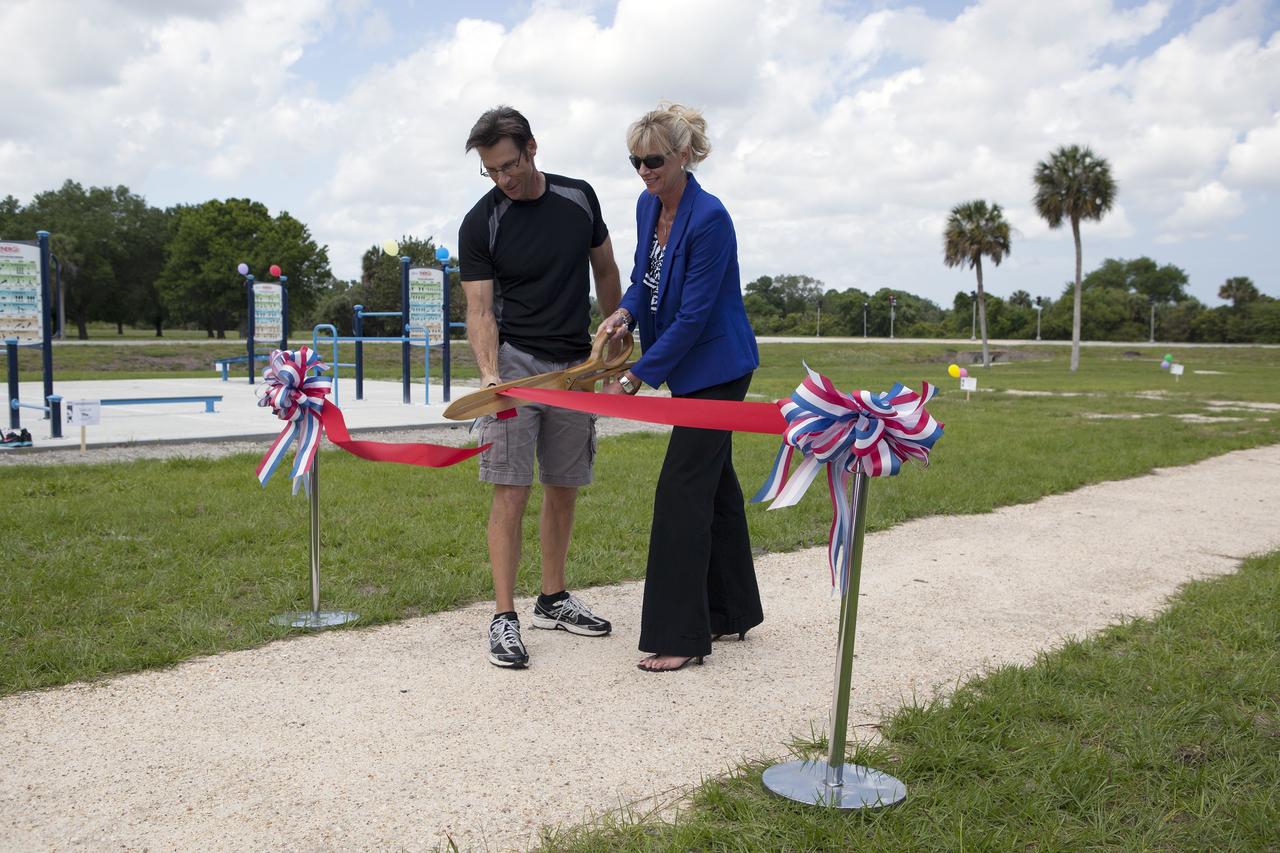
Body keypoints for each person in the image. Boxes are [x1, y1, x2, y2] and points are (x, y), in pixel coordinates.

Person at [601, 103, 763, 672]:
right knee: (714, 486)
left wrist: (635, 377)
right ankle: (729, 611)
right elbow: (646, 279)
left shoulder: (710, 218)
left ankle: (680, 636)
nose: (644, 171)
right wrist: (623, 314)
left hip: (718, 369)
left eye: (654, 160)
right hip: (688, 365)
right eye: (635, 161)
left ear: (685, 155)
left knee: (680, 492)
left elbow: (694, 316)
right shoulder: (650, 205)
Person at [459, 105, 622, 669]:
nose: (502, 179)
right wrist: (489, 374)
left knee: (564, 483)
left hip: (575, 367)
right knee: (511, 488)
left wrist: (614, 332)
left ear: (532, 146)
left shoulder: (579, 198)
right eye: (491, 171)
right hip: (516, 365)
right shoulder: (482, 221)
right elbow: (479, 310)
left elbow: (604, 269)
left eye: (508, 165)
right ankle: (504, 616)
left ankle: (552, 598)